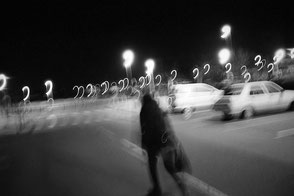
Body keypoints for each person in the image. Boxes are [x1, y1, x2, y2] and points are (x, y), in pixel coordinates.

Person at [140, 93, 192, 196]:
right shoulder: (159, 110)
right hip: (165, 142)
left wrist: (144, 145)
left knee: (152, 165)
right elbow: (168, 128)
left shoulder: (144, 111)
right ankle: (182, 187)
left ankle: (157, 188)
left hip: (152, 143)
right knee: (169, 167)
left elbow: (144, 130)